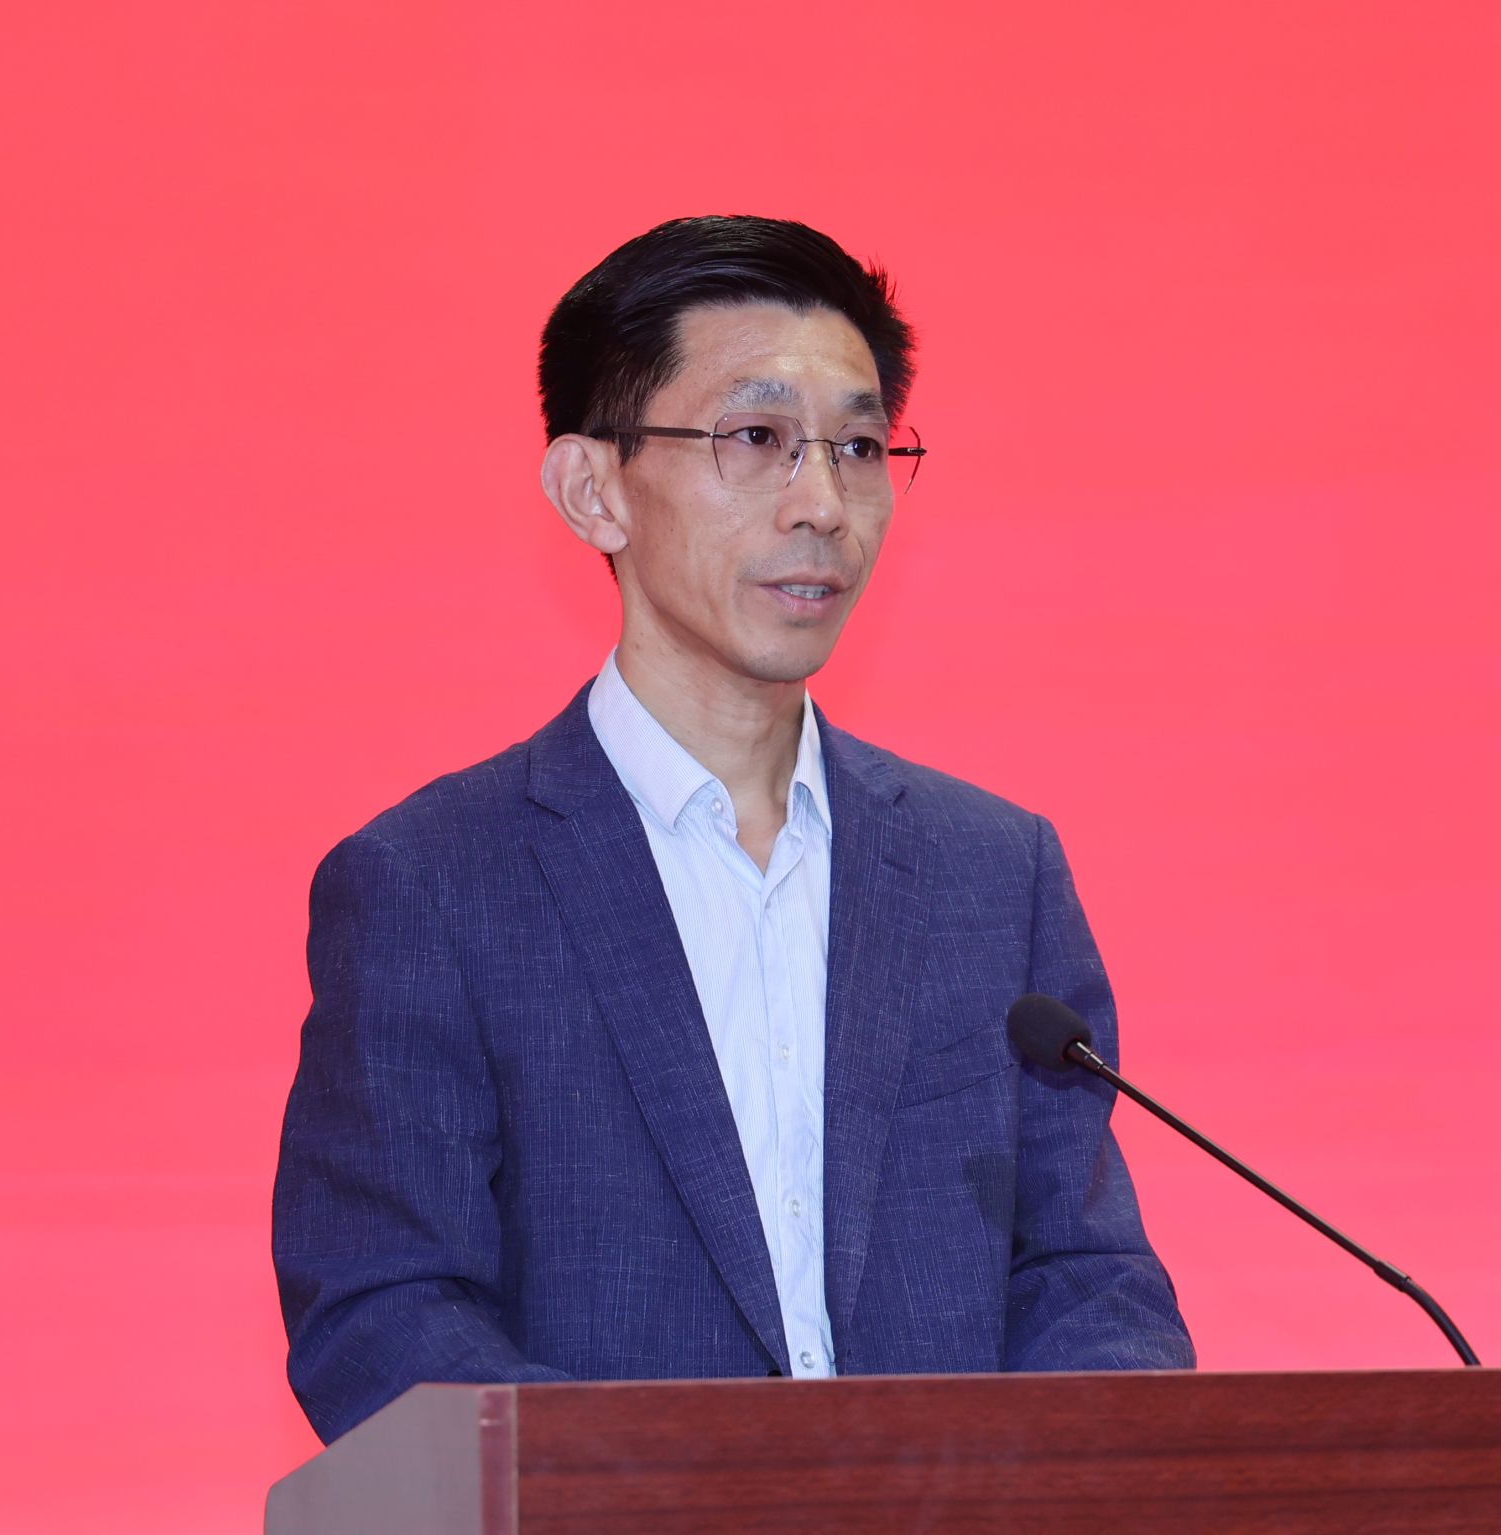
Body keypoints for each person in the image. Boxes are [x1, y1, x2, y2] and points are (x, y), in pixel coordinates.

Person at [273, 215, 1194, 1445]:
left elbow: (1084, 1277)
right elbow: (385, 1317)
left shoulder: (991, 871)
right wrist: (690, 1497)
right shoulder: (432, 886)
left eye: (857, 447)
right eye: (755, 438)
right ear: (592, 489)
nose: (822, 504)